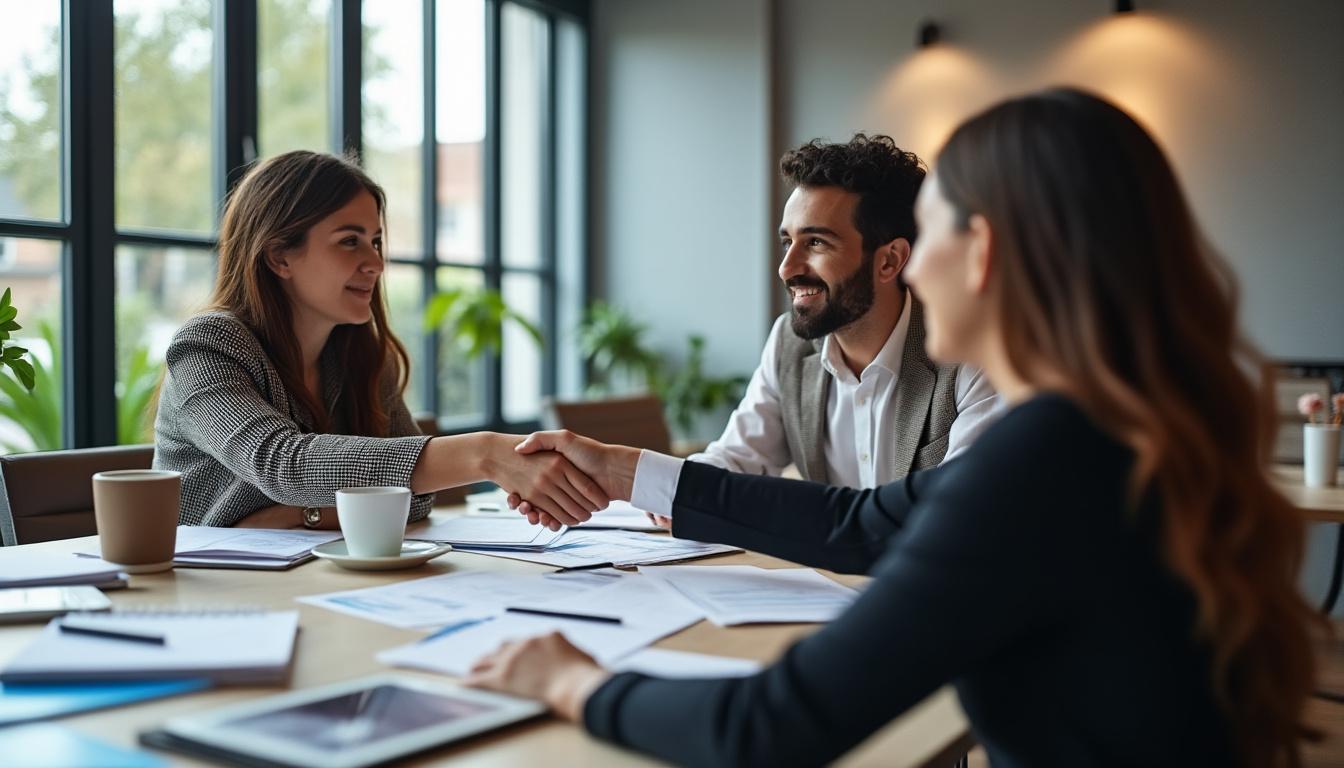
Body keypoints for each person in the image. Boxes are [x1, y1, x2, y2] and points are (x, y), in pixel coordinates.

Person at [468, 89, 1324, 767]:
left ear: (980, 251)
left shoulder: (1049, 455)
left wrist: (573, 682)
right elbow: (861, 523)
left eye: (931, 230)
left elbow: (769, 727)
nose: (914, 265)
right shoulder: (1111, 429)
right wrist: (626, 470)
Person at [153, 151, 607, 528]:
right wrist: (484, 454)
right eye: (349, 241)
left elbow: (416, 499)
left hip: (314, 581)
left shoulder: (359, 353)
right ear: (279, 257)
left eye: (375, 241)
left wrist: (301, 514)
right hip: (203, 589)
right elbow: (284, 463)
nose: (375, 263)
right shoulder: (206, 346)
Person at [687, 134, 999, 494]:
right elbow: (736, 459)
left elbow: (962, 504)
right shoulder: (789, 344)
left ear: (889, 261)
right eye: (788, 242)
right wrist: (662, 482)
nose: (786, 268)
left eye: (816, 242)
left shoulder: (969, 353)